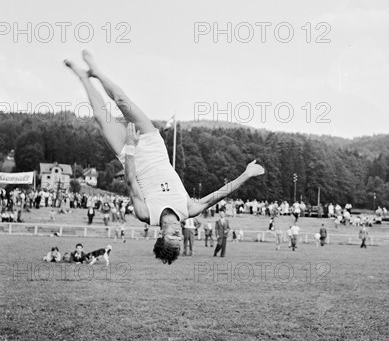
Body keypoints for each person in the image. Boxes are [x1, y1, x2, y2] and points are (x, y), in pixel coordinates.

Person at [65, 51, 264, 265]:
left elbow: (131, 181)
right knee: (122, 101)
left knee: (101, 115)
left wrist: (131, 147)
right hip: (152, 145)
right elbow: (218, 195)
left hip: (128, 153)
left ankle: (83, 78)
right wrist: (246, 174)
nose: (178, 233)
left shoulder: (145, 214)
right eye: (179, 237)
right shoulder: (188, 211)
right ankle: (97, 72)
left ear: (161, 234)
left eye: (173, 236)